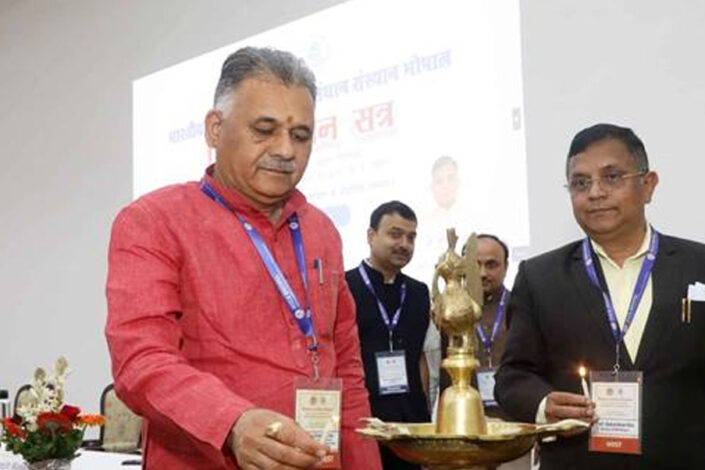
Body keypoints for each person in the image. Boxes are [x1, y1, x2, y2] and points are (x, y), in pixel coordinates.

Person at [105, 47, 381, 470]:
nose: (285, 150)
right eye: (264, 130)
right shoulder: (154, 221)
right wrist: (231, 423)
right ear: (215, 129)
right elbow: (141, 361)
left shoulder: (321, 231)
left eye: (301, 135)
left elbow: (347, 370)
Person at [494, 123, 705, 470]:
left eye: (612, 177)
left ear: (648, 185)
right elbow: (512, 377)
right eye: (580, 183)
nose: (595, 192)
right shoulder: (540, 277)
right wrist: (542, 403)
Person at [345, 201, 431, 470]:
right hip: (364, 419)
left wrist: (425, 413)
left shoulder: (419, 292)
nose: (404, 244)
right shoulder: (345, 286)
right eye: (395, 234)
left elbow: (419, 356)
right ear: (371, 236)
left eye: (411, 237)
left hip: (411, 421)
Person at [438, 234, 531, 470]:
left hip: (513, 429)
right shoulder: (451, 312)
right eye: (475, 264)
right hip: (464, 428)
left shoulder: (524, 307)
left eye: (491, 264)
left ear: (506, 266)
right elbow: (443, 378)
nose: (482, 273)